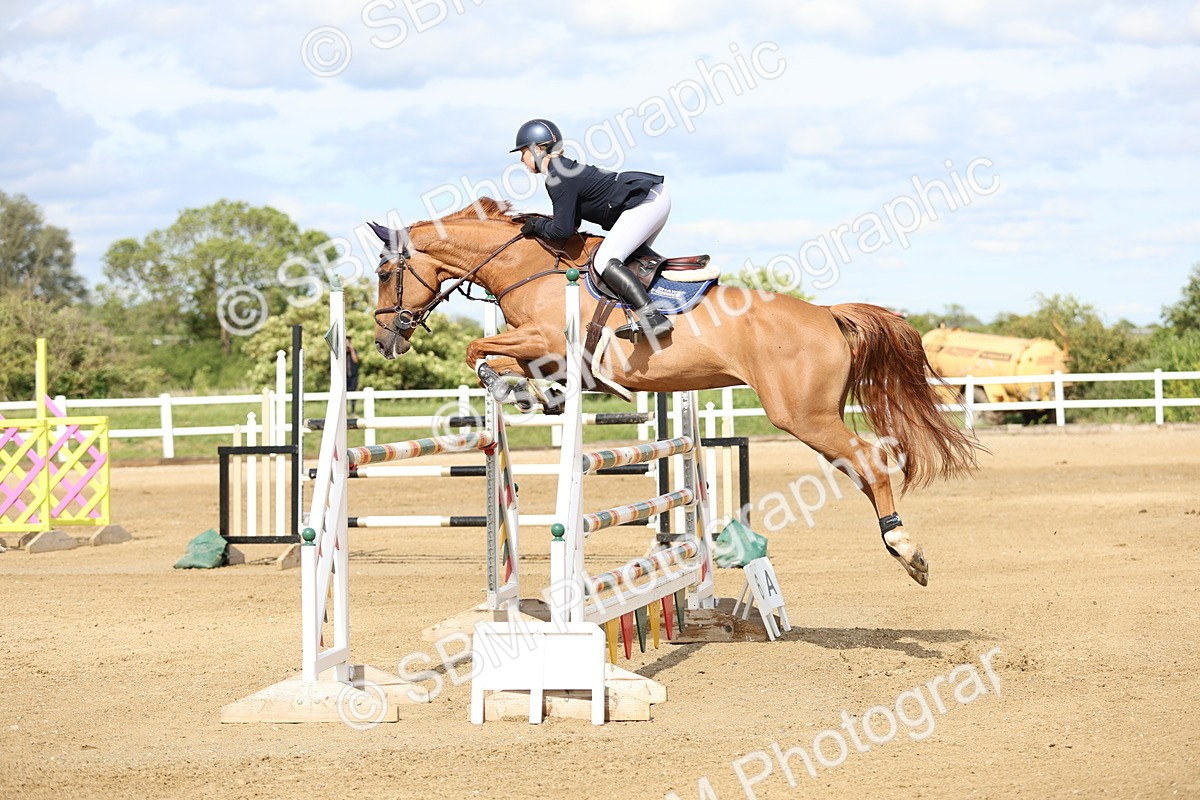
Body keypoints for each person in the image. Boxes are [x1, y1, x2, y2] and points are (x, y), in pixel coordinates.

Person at [511, 118, 673, 340]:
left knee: (605, 260)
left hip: (646, 202)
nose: (521, 159)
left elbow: (562, 231)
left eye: (522, 152)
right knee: (629, 263)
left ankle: (654, 318)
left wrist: (536, 226)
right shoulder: (562, 171)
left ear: (538, 149)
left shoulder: (558, 177)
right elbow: (571, 223)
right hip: (652, 198)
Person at [345, 336, 360, 413]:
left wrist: (351, 349)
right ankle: (344, 411)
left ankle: (353, 411)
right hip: (344, 377)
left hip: (353, 376)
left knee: (353, 393)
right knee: (344, 394)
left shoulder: (354, 351)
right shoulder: (342, 353)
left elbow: (355, 360)